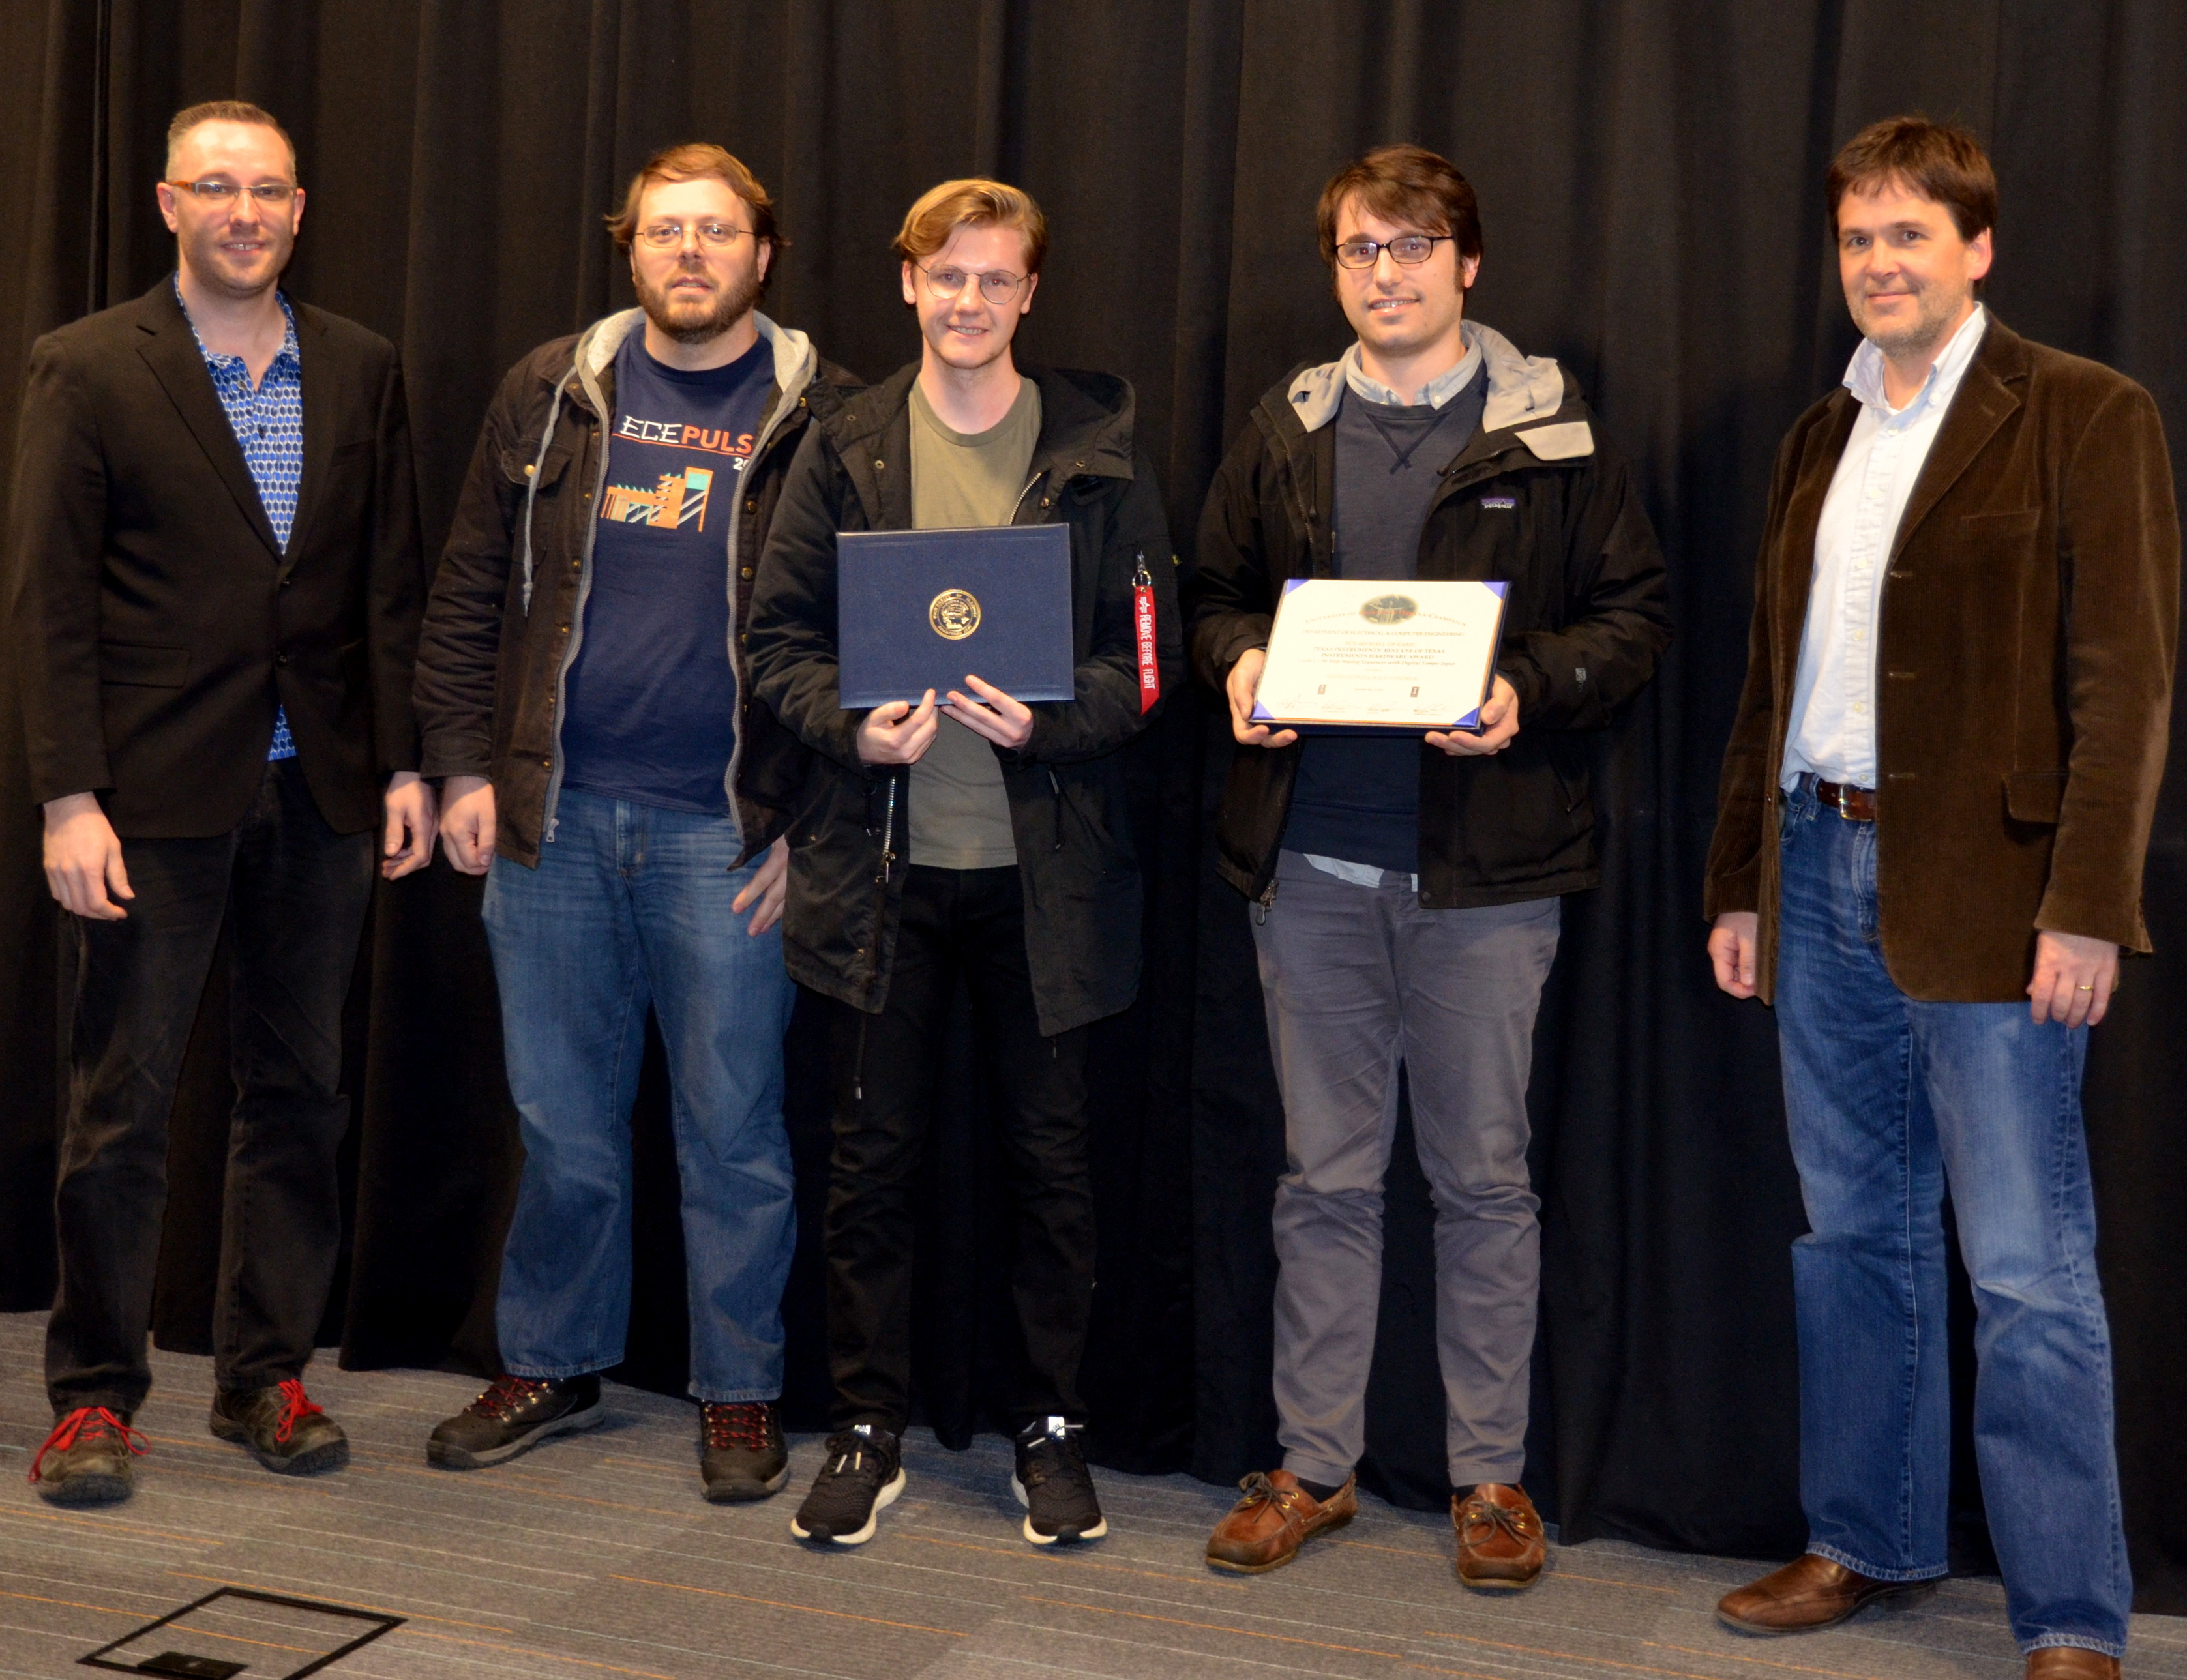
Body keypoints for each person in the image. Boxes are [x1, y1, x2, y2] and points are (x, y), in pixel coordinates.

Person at [1704, 117, 2176, 1680]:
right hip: (1817, 867)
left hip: (1997, 898)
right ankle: (1867, 1537)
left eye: (1910, 235)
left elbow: (2125, 682)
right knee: (1852, 1241)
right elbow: (1774, 681)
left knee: (2030, 1271)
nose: (1879, 264)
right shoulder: (1817, 437)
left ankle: (2069, 1617)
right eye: (1856, 240)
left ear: (1978, 248)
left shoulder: (2087, 415)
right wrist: (1742, 882)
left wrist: (2088, 902)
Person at [1188, 144, 1671, 1585]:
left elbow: (1636, 620)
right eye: (1358, 251)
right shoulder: (1286, 424)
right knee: (1322, 1177)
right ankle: (1314, 1465)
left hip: (1488, 878)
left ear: (1469, 262)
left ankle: (1491, 1479)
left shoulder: (1556, 434)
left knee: (1484, 1181)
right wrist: (1242, 660)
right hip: (1314, 864)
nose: (1385, 275)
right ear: (1333, 267)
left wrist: (1528, 685)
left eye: (1412, 247)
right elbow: (1212, 592)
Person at [411, 144, 857, 1501]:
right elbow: (469, 591)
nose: (689, 253)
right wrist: (459, 767)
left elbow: (860, 638)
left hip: (725, 833)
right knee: (561, 1119)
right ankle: (551, 1357)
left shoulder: (828, 411)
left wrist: (811, 823)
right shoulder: (553, 389)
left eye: (716, 232)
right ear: (632, 247)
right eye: (666, 230)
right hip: (553, 817)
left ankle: (738, 1388)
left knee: (734, 1131)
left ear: (761, 254)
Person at [8, 101, 434, 1505]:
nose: (242, 211)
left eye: (267, 190)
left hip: (318, 789)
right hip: (151, 796)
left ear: (300, 209)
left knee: (298, 1094)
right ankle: (92, 1396)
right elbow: (48, 601)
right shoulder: (85, 366)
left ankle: (265, 1375)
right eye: (215, 187)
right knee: (121, 1102)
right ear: (166, 202)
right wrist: (70, 797)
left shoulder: (362, 364)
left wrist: (408, 766)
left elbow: (388, 589)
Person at [746, 177, 1180, 1549]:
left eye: (995, 280)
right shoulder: (846, 442)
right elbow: (778, 644)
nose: (970, 302)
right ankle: (866, 1423)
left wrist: (1052, 724)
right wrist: (847, 726)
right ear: (908, 285)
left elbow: (1149, 666)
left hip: (1044, 887)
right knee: (869, 1163)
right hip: (879, 873)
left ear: (1030, 293)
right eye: (948, 279)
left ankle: (1048, 1427)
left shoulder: (1102, 451)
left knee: (1052, 1172)